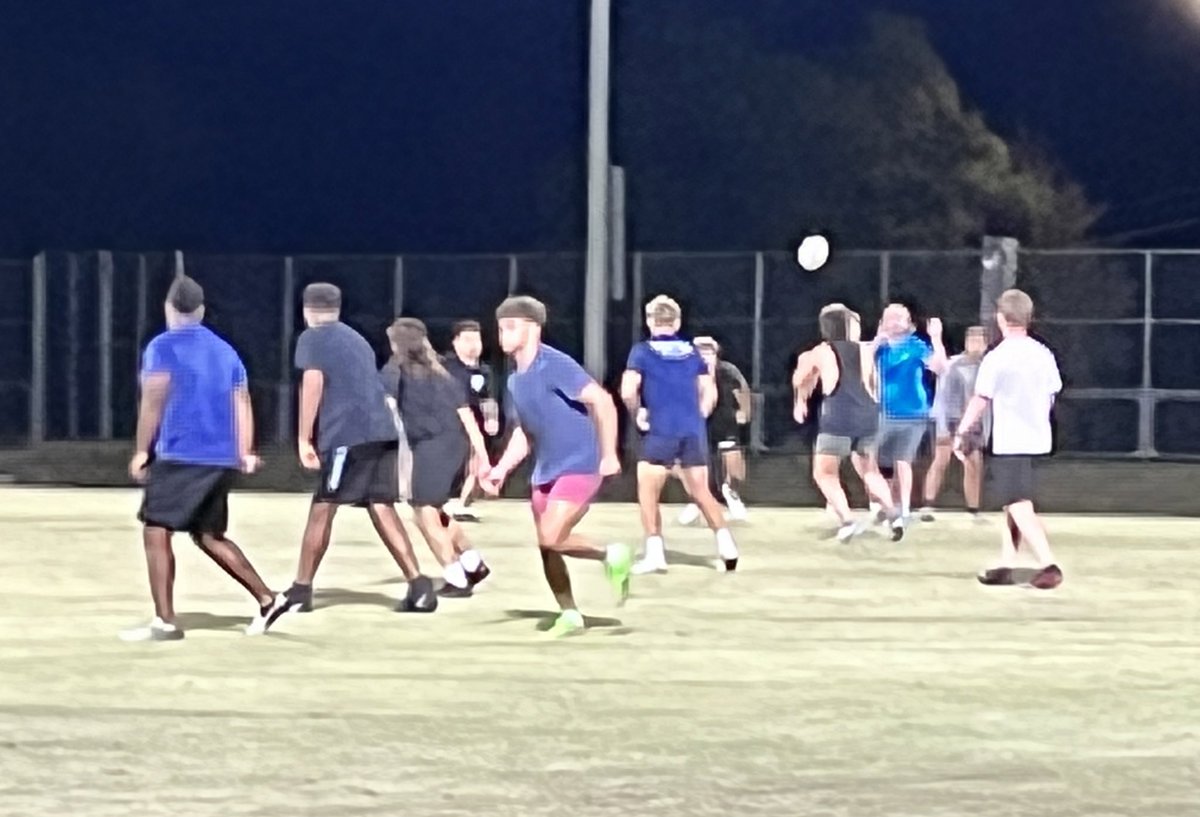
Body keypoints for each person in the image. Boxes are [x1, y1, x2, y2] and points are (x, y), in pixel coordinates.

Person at [121, 275, 284, 642]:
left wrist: (143, 449)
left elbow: (153, 400)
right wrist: (245, 450)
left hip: (182, 454)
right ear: (201, 310)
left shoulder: (163, 346)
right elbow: (242, 401)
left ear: (168, 307)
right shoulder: (225, 351)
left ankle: (165, 622)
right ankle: (268, 599)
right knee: (208, 534)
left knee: (156, 530)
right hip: (221, 457)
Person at [265, 283, 436, 629]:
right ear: (338, 308)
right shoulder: (356, 339)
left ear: (307, 309)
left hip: (347, 435)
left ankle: (301, 590)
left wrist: (304, 438)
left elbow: (313, 383)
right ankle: (419, 585)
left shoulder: (312, 338)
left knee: (323, 507)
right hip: (383, 431)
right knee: (381, 505)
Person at [479, 295, 633, 637]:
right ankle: (570, 614)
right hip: (545, 471)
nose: (503, 335)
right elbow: (525, 432)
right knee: (547, 546)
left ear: (533, 328)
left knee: (552, 536)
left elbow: (603, 401)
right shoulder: (515, 380)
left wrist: (609, 454)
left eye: (511, 327)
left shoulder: (555, 364)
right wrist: (501, 469)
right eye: (501, 328)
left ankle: (612, 554)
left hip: (580, 463)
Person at [620, 295, 740, 574]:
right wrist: (699, 416)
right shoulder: (692, 352)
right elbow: (709, 391)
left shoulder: (642, 352)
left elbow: (627, 390)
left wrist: (638, 412)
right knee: (701, 491)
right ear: (677, 322)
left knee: (648, 491)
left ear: (650, 321)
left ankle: (655, 554)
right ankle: (727, 547)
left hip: (660, 428)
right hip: (692, 430)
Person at [955, 289, 1063, 589]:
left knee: (1016, 503)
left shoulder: (998, 356)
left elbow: (981, 398)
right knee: (1013, 502)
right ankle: (1007, 563)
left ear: (1001, 318)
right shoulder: (1043, 353)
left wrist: (962, 431)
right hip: (1039, 437)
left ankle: (1048, 563)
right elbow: (1052, 393)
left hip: (1011, 438)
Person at [383, 318, 493, 597]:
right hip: (454, 446)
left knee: (425, 514)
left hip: (430, 448)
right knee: (432, 510)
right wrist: (482, 456)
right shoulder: (442, 372)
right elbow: (467, 418)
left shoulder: (396, 370)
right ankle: (473, 563)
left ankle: (456, 577)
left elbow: (386, 407)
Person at [792, 304, 904, 542]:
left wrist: (800, 399)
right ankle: (894, 514)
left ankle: (847, 519)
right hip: (868, 415)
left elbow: (800, 378)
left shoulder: (822, 351)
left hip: (839, 415)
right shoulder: (864, 350)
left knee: (825, 473)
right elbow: (873, 384)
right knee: (870, 470)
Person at [872, 303, 947, 523]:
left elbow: (939, 367)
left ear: (909, 323)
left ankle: (902, 507)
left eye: (899, 317)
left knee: (903, 461)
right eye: (890, 317)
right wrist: (876, 342)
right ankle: (882, 505)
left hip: (912, 413)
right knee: (876, 462)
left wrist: (936, 338)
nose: (894, 322)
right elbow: (859, 366)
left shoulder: (916, 345)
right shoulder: (878, 348)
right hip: (881, 412)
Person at [676, 337, 752, 524]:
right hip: (697, 423)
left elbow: (743, 390)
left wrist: (744, 412)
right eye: (700, 350)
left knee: (733, 461)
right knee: (690, 465)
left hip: (724, 421)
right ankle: (696, 501)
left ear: (716, 352)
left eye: (708, 350)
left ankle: (731, 493)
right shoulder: (685, 370)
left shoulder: (727, 371)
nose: (704, 354)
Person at [920, 326, 989, 521]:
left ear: (985, 344)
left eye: (979, 340)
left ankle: (973, 510)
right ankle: (927, 505)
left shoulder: (987, 367)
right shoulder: (952, 365)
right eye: (971, 339)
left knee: (974, 464)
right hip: (949, 419)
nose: (975, 344)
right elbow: (942, 397)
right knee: (941, 459)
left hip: (972, 422)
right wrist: (943, 427)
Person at [440, 319, 500, 522]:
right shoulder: (445, 367)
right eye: (467, 340)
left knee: (476, 462)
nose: (473, 345)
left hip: (474, 424)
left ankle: (463, 505)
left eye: (477, 339)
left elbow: (487, 397)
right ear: (455, 342)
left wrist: (491, 418)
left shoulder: (484, 371)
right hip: (447, 423)